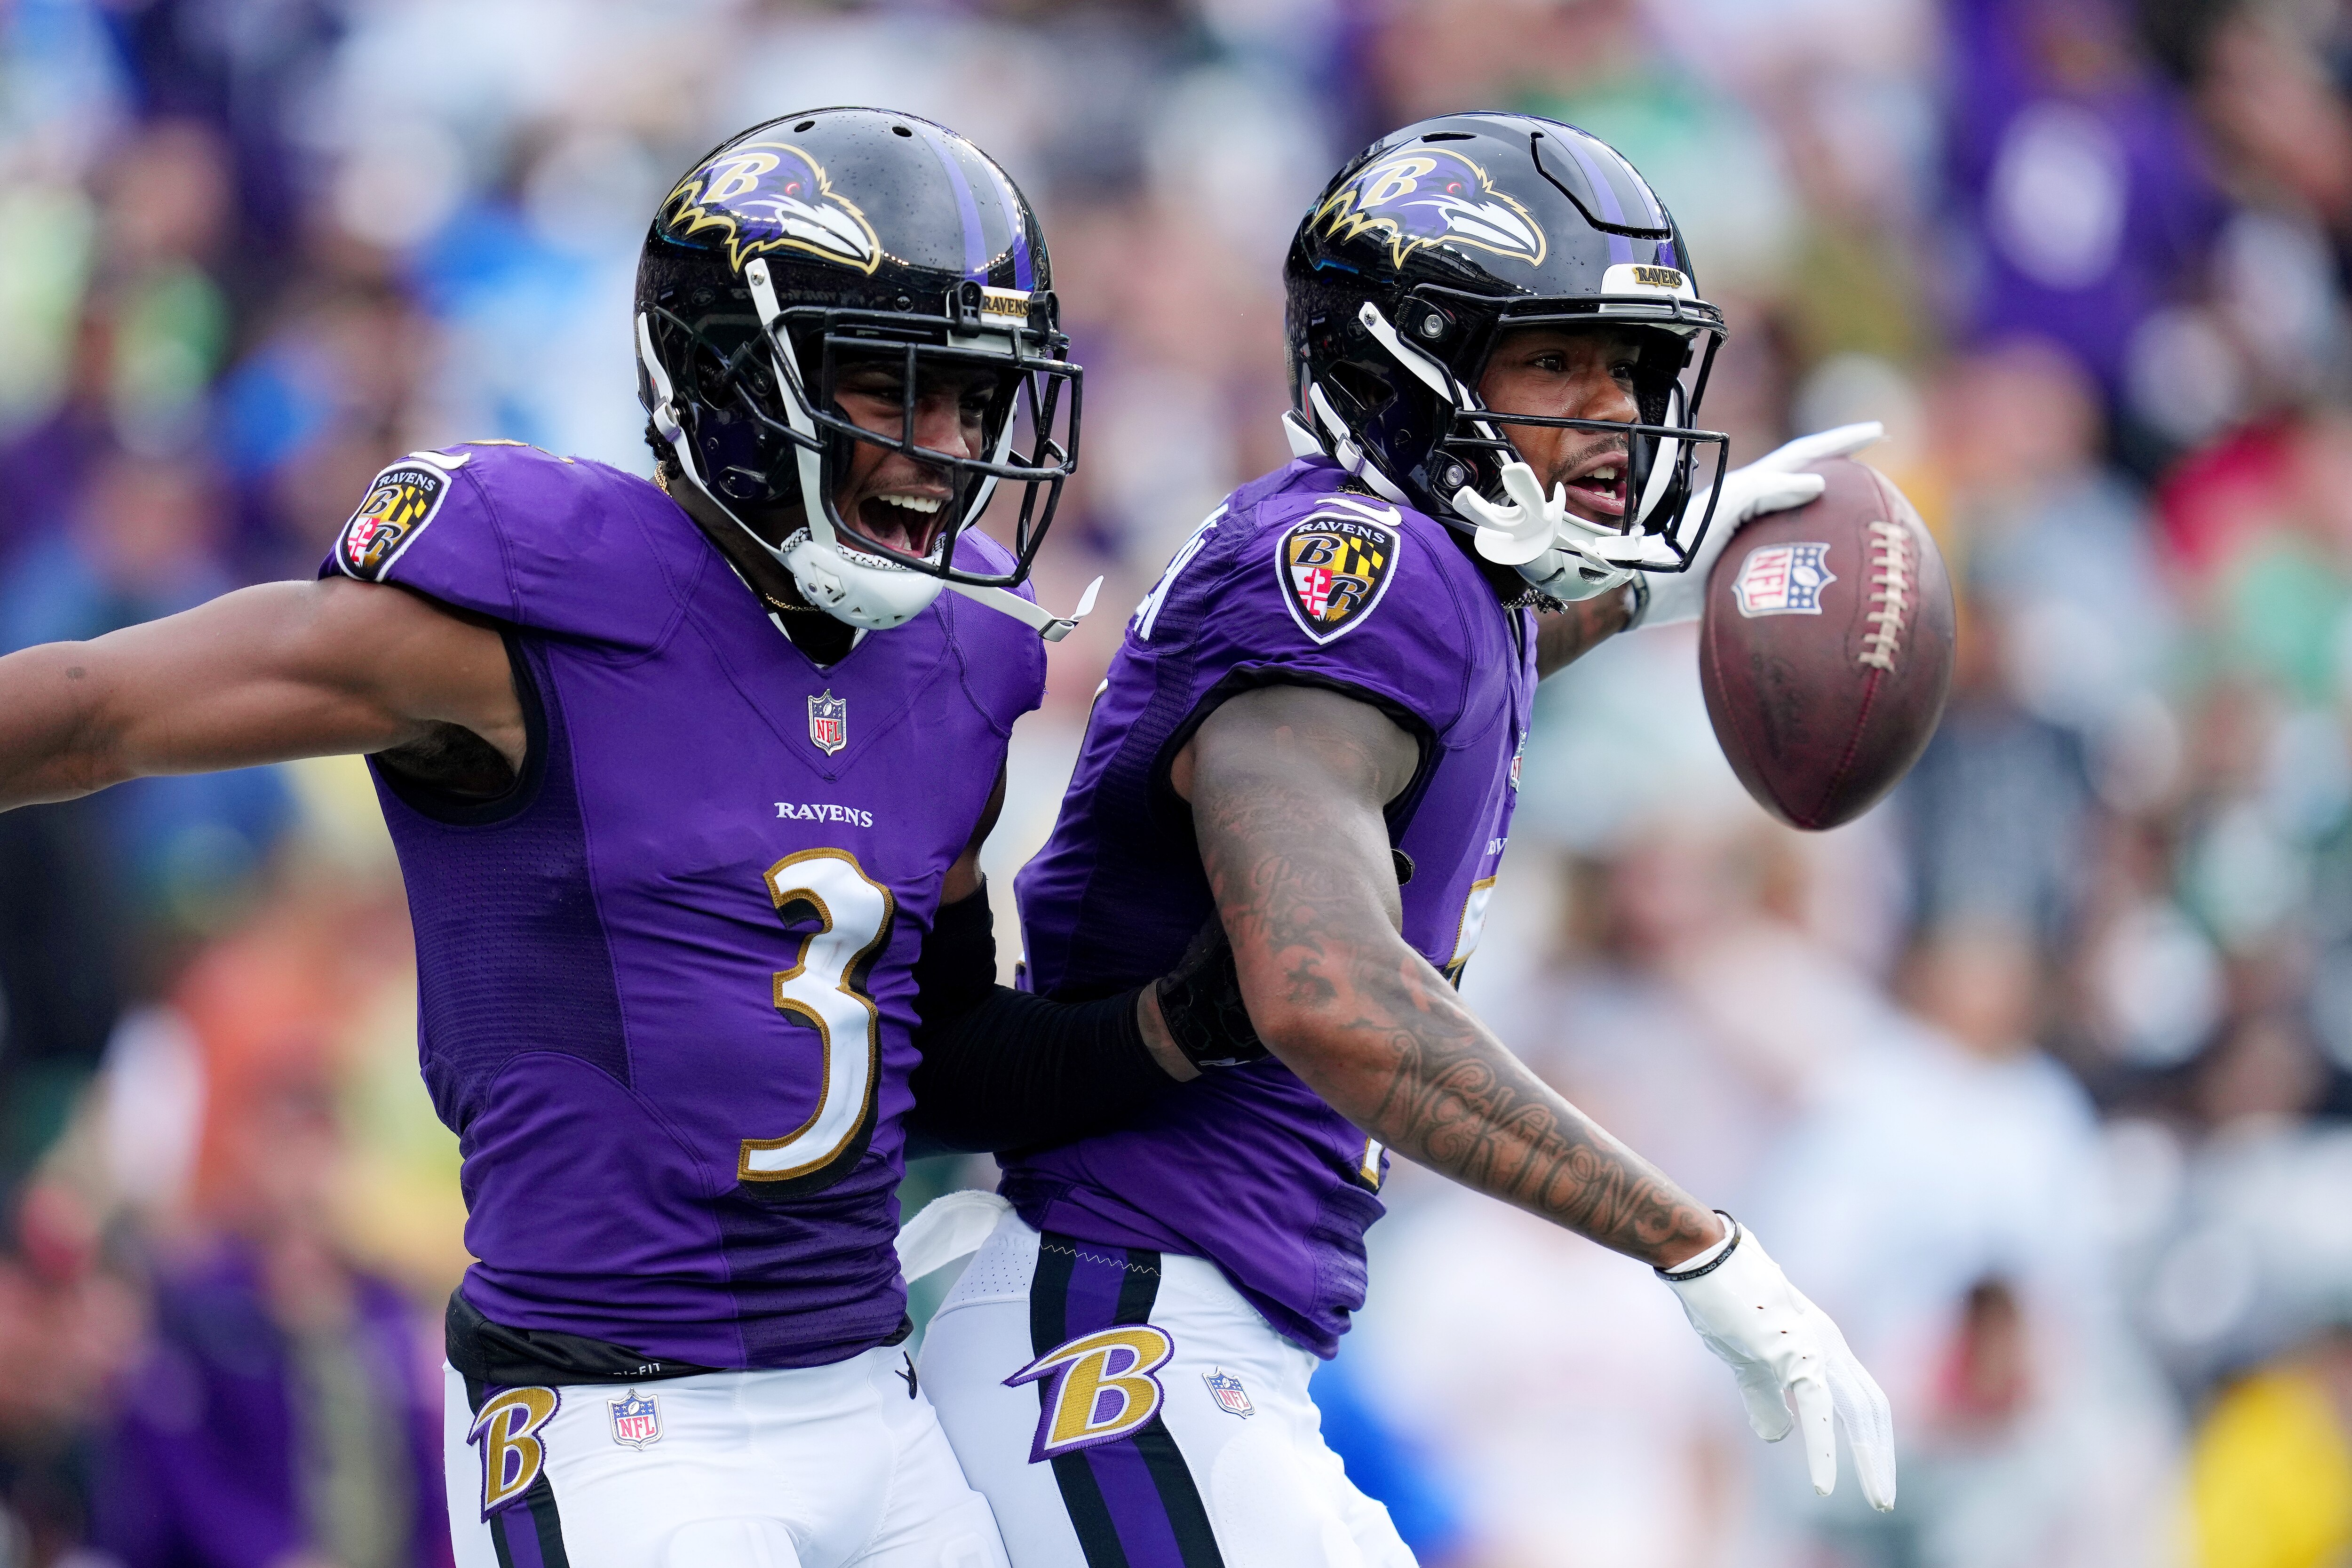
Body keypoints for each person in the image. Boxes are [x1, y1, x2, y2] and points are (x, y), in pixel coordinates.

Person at [0, 107, 1200, 1568]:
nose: (946, 452)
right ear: (734, 377)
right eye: (894, 390)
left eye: (972, 398)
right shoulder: (535, 606)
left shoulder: (954, 677)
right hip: (619, 1427)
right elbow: (92, 718)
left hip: (874, 1417)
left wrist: (1195, 1019)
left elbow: (933, 1068)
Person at [914, 112, 1899, 1568]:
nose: (1619, 412)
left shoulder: (1427, 585)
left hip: (1176, 1338)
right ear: (1410, 365)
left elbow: (1438, 701)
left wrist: (1657, 589)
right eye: (1557, 360)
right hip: (1123, 1338)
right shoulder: (1360, 579)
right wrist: (1692, 1241)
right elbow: (1328, 990)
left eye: (1630, 368)